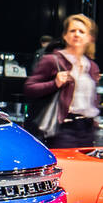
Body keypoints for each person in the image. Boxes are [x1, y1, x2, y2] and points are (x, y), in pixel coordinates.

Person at [24, 14, 100, 148]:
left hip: (87, 129)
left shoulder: (92, 66)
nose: (76, 34)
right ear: (65, 36)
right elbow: (29, 88)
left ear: (89, 38)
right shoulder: (53, 60)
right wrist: (55, 84)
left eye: (81, 31)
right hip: (63, 128)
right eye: (72, 30)